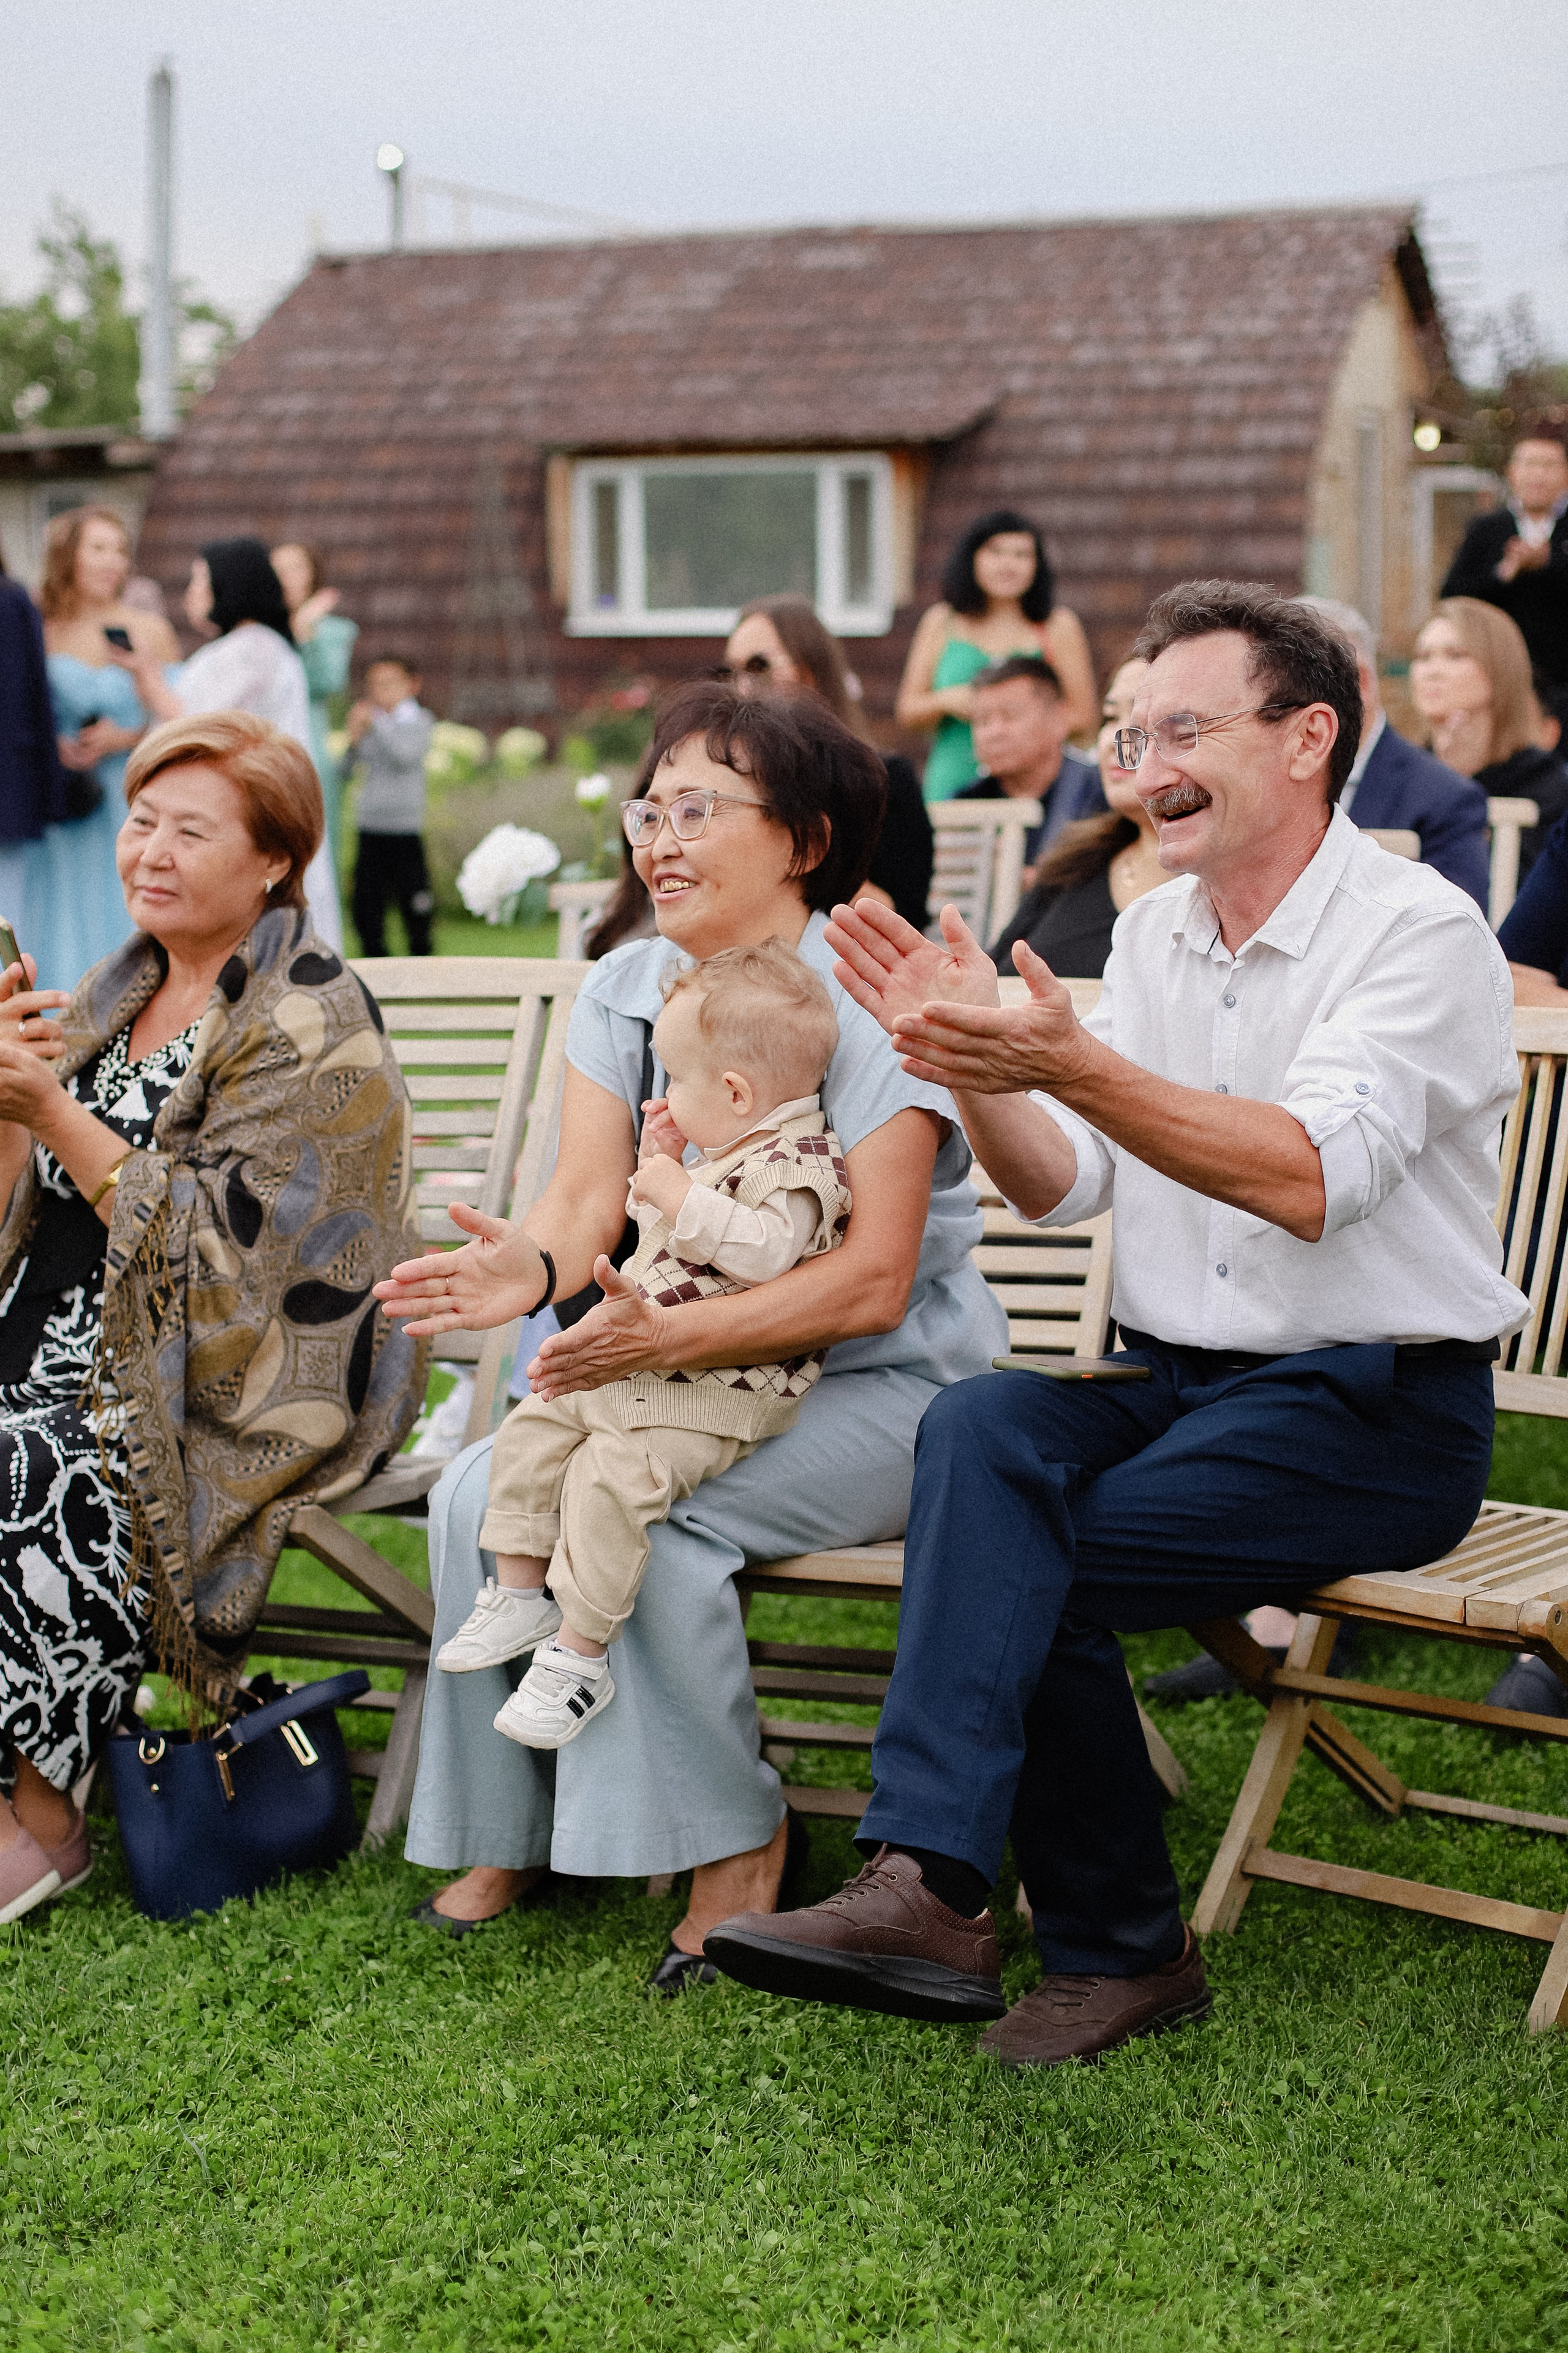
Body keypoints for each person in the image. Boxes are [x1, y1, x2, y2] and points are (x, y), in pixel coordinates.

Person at [701, 582, 1525, 2064]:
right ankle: (943, 1888)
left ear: (1304, 737)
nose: (1140, 763)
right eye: (1129, 732)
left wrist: (1065, 1061)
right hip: (1185, 1379)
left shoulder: (1417, 932)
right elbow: (1059, 1185)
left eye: (1181, 728)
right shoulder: (1153, 940)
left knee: (1040, 1557)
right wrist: (964, 1068)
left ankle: (1071, 1936)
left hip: (1378, 1406)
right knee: (981, 1423)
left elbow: (1307, 1174)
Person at [373, 681, 1005, 1981]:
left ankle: (739, 1840)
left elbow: (873, 1280)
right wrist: (529, 1267)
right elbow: (579, 1205)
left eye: (695, 809)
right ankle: (524, 1816)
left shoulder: (869, 991)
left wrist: (657, 1347)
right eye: (645, 808)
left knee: (656, 1505)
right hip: (690, 1363)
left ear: (805, 841)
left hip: (885, 1386)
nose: (655, 838)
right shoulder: (625, 985)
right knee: (478, 1490)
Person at [0, 710, 423, 1925]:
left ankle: (40, 1815)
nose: (151, 851)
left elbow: (237, 1265)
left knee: (25, 1460)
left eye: (192, 830)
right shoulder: (107, 992)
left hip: (213, 1374)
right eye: (141, 822)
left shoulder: (310, 1017)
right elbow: (21, 1215)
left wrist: (53, 1111)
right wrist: (9, 1101)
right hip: (47, 1332)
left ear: (275, 859)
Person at [432, 939, 851, 1748]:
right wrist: (671, 1165)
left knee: (610, 1477)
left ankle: (579, 1656)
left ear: (734, 1090)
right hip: (653, 1365)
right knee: (536, 1425)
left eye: (678, 1080)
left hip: (725, 1391)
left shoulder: (800, 1163)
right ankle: (519, 1596)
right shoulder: (722, 1148)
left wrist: (674, 1187)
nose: (665, 1097)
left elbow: (767, 1251)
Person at [111, 538, 344, 951]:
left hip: (241, 806)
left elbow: (199, 731)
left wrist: (146, 674)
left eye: (202, 580)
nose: (193, 593)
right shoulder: (247, 647)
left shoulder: (251, 649)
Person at [30, 508, 179, 992]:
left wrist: (126, 737)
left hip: (130, 795)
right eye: (98, 548)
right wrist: (50, 741)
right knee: (60, 911)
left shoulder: (149, 629)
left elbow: (183, 718)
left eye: (119, 549)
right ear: (67, 556)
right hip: (63, 803)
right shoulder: (41, 628)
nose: (113, 561)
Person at [723, 595, 933, 929]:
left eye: (759, 666)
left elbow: (903, 911)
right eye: (733, 671)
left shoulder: (884, 778)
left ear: (810, 670)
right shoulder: (723, 779)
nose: (744, 685)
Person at [1295, 597, 1489, 908]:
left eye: (1291, 691)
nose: (1273, 712)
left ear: (1360, 683)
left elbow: (1454, 933)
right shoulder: (1260, 786)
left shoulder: (1445, 798)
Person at [896, 511, 1097, 800]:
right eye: (996, 552)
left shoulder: (1059, 626)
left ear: (1037, 566)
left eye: (1021, 555)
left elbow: (1083, 717)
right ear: (972, 560)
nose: (1008, 565)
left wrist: (1020, 722)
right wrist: (946, 700)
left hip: (1036, 785)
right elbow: (907, 710)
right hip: (953, 777)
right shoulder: (941, 622)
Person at [990, 659, 1164, 978]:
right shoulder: (1077, 858)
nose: (1118, 740)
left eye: (1143, 719)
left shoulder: (1217, 888)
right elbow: (991, 975)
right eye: (1111, 717)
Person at [1409, 599, 1568, 887]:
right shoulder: (1401, 772)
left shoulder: (1546, 784)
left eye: (1455, 655)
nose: (1432, 671)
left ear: (1499, 669)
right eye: (1422, 657)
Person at [1441, 434, 1568, 721]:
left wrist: (1549, 563)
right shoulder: (1486, 530)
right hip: (1498, 681)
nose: (1539, 474)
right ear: (1512, 473)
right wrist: (1503, 574)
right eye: (1530, 464)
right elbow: (1452, 596)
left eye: (1549, 465)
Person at [952, 655, 1107, 880]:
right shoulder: (965, 804)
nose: (994, 733)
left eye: (1010, 716)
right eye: (982, 720)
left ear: (1058, 718)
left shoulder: (1099, 793)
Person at [271, 542, 358, 882]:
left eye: (295, 568)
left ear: (312, 576)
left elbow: (326, 682)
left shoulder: (332, 630)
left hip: (308, 745)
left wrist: (305, 630)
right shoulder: (261, 631)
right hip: (264, 744)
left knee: (313, 854)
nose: (286, 577)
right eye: (278, 569)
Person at [343, 654, 436, 957]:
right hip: (371, 824)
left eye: (390, 684)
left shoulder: (419, 721)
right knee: (367, 903)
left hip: (405, 827)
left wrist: (378, 725)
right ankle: (376, 959)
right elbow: (344, 772)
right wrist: (354, 739)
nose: (382, 692)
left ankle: (422, 961)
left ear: (412, 685)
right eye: (375, 685)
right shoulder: (371, 723)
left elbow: (404, 757)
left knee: (415, 902)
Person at [0, 542, 67, 932]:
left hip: (8, 789)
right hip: (12, 787)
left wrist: (48, 790)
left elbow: (37, 697)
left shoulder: (11, 600)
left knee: (8, 920)